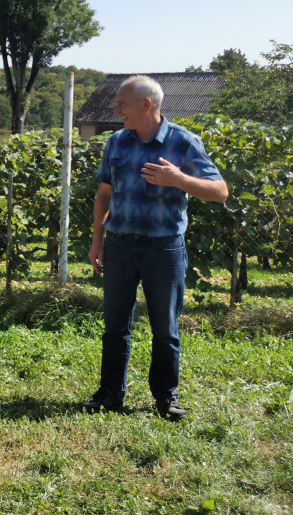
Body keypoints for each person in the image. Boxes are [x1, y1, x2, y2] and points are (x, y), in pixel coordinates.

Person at [82, 75, 228, 421]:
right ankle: (110, 394)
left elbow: (219, 191)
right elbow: (104, 194)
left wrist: (179, 179)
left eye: (122, 105)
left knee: (165, 329)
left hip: (163, 251)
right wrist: (97, 241)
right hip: (118, 246)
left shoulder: (183, 143)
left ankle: (166, 397)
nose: (117, 111)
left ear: (146, 105)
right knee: (115, 326)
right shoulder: (117, 142)